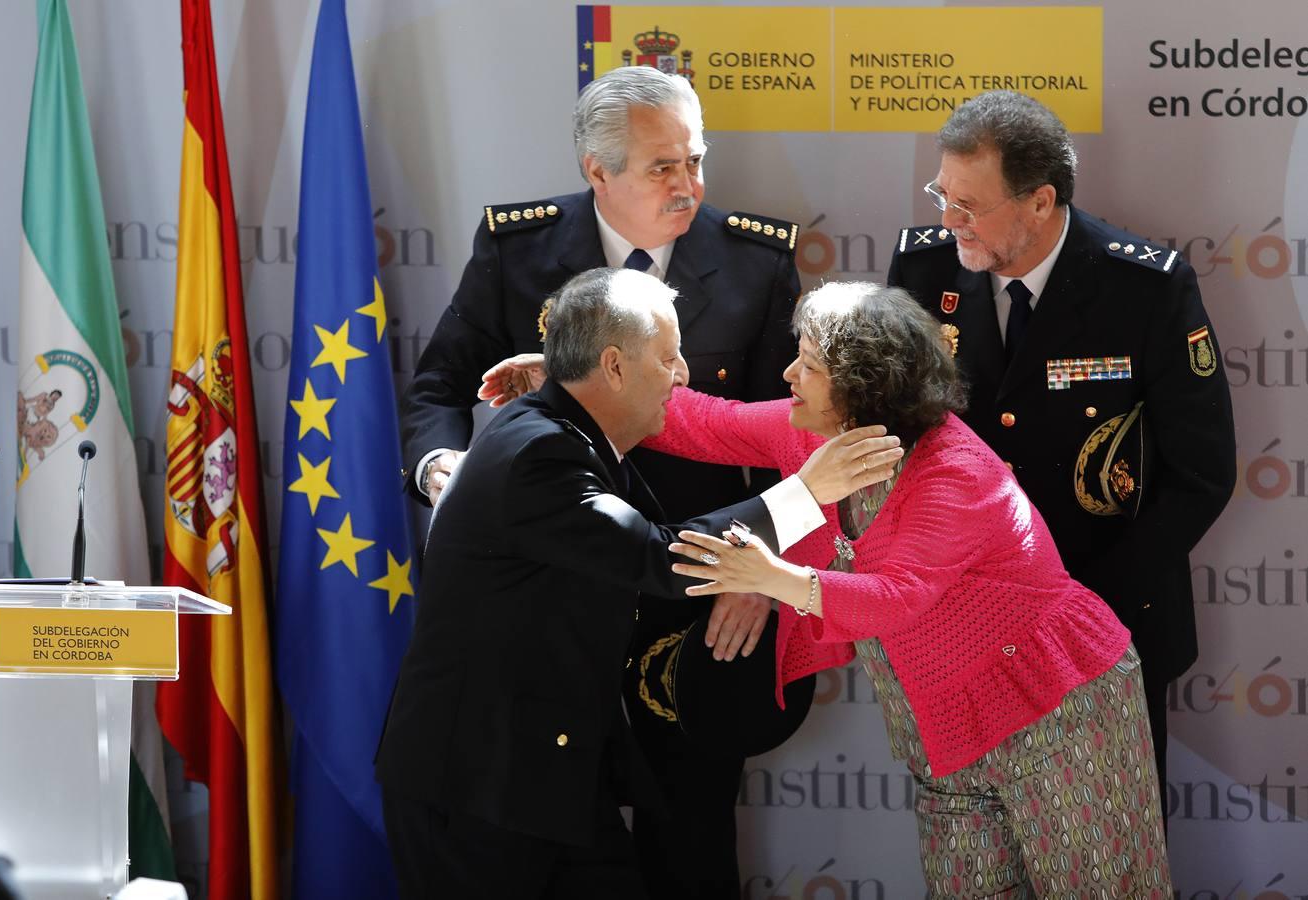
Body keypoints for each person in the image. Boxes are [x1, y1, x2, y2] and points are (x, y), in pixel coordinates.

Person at [400, 64, 802, 896]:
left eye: (697, 160)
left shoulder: (756, 261)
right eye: (663, 167)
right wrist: (448, 474)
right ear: (598, 172)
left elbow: (786, 437)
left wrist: (757, 573)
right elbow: (438, 389)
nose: (688, 185)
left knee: (688, 843)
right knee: (542, 844)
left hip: (690, 591)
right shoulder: (520, 249)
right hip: (547, 604)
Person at [376, 269, 899, 899]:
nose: (682, 375)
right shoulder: (540, 456)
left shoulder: (572, 437)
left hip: (547, 779)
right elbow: (663, 558)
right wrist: (808, 493)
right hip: (476, 792)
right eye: (669, 357)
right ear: (615, 368)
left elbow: (659, 536)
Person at [886, 90, 1236, 809]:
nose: (947, 220)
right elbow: (894, 443)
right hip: (962, 635)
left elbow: (1199, 474)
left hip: (1104, 625)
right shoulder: (923, 275)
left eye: (969, 204)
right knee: (981, 860)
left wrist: (1075, 604)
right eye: (940, 194)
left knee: (1110, 856)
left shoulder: (1143, 287)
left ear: (1039, 202)